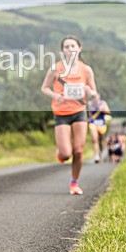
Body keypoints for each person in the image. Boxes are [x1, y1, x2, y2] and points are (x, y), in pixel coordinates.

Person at [41, 35, 99, 195]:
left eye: (73, 46)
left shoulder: (86, 69)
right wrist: (55, 96)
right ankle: (61, 152)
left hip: (79, 112)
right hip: (61, 113)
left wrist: (90, 92)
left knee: (78, 151)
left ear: (79, 48)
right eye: (66, 47)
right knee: (66, 154)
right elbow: (44, 88)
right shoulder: (55, 68)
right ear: (63, 51)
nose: (70, 49)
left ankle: (74, 183)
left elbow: (95, 95)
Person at [87, 97, 111, 163]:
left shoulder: (103, 103)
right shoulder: (90, 104)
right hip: (93, 123)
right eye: (93, 98)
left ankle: (101, 152)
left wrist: (103, 110)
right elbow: (88, 114)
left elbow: (109, 112)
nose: (95, 99)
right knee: (95, 139)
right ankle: (96, 156)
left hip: (101, 123)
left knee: (101, 141)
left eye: (96, 97)